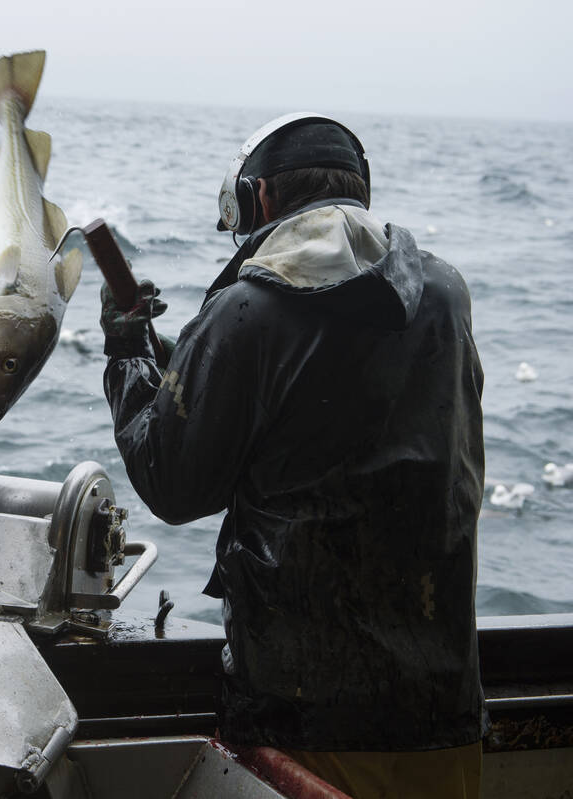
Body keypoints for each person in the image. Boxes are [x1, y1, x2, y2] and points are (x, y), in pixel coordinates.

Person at [99, 113, 488, 798]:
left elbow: (173, 480)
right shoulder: (446, 292)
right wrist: (186, 366)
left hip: (304, 719)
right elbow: (330, 403)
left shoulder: (246, 307)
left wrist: (128, 350)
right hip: (444, 713)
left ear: (260, 199)